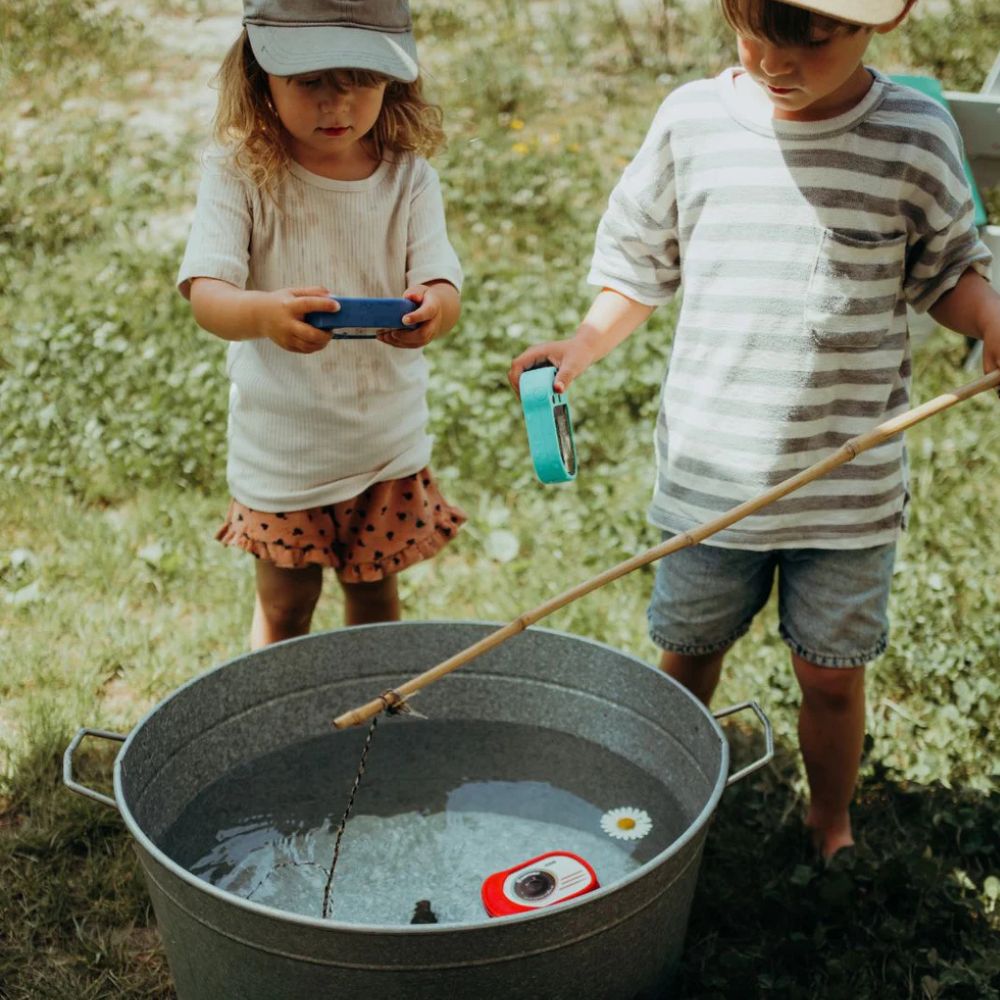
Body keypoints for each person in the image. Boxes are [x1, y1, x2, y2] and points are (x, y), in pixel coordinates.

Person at [509, 0, 1000, 860]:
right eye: (753, 32)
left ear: (878, 25)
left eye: (809, 42)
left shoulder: (913, 132)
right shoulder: (693, 121)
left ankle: (829, 820)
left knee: (832, 677)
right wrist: (584, 342)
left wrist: (991, 317)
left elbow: (948, 268)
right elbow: (639, 262)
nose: (775, 61)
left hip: (845, 491)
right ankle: (661, 812)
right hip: (714, 482)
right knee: (689, 656)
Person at [178, 0, 466, 649]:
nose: (336, 106)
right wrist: (263, 314)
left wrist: (432, 310)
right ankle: (284, 730)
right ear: (260, 77)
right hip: (285, 452)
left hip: (383, 446)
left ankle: (369, 729)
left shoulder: (408, 180)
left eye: (359, 80)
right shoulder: (240, 175)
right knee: (285, 607)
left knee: (373, 598)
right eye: (309, 83)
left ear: (395, 79)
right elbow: (207, 294)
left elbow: (443, 282)